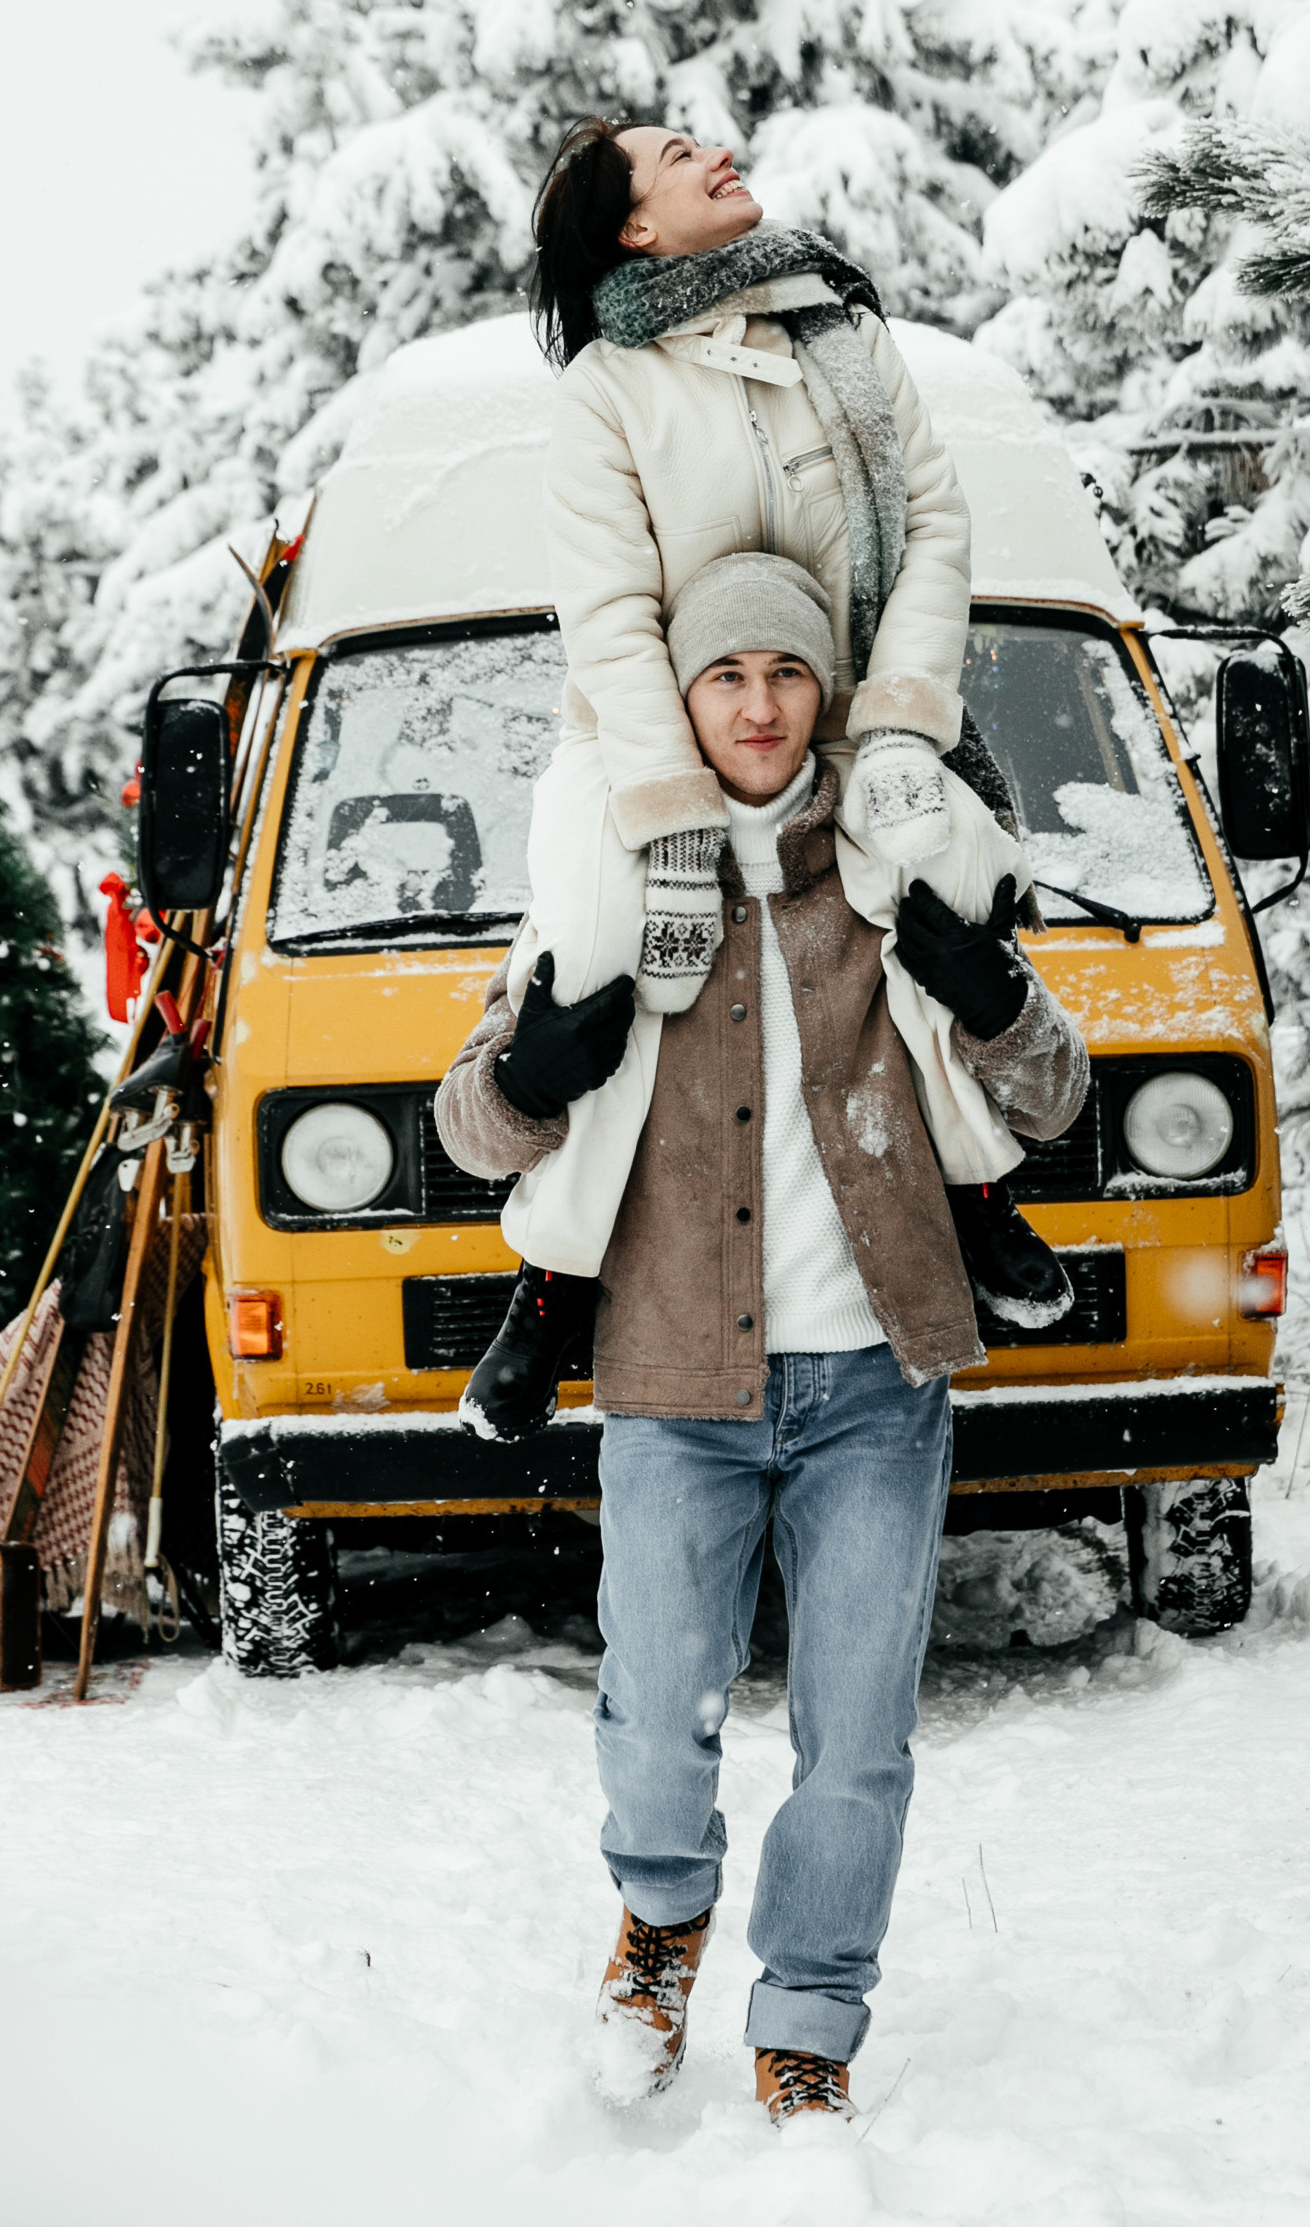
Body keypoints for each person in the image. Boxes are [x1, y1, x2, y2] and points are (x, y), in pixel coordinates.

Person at [435, 552, 1089, 2122]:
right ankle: (659, 1924)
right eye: (724, 676)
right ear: (681, 697)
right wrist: (535, 1068)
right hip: (672, 1379)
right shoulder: (612, 870)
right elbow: (467, 1130)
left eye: (784, 675)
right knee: (655, 1718)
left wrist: (992, 994)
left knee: (855, 1741)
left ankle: (809, 2015)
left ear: (823, 696)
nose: (755, 703)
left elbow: (1052, 1090)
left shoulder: (887, 861)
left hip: (874, 1378)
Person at [457, 116, 1074, 1440]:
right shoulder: (608, 394)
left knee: (938, 893)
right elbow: (612, 621)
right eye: (677, 156)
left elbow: (933, 534)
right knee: (619, 950)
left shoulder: (844, 341)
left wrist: (902, 725)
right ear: (629, 226)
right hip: (646, 737)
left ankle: (975, 1197)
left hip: (842, 720)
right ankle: (552, 1285)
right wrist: (671, 814)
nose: (715, 155)